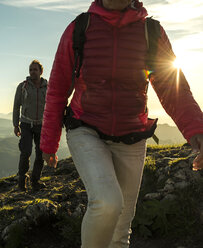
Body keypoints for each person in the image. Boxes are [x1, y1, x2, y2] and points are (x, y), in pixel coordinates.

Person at [40, 0, 203, 247]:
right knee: (107, 202)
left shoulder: (151, 32)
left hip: (132, 136)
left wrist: (197, 129)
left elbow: (173, 87)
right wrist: (48, 143)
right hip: (85, 129)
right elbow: (57, 89)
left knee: (120, 231)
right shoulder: (80, 28)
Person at [13, 60, 48, 191]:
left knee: (40, 154)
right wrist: (16, 125)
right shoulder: (23, 86)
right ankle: (22, 182)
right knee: (25, 152)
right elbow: (16, 107)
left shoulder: (48, 87)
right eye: (31, 70)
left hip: (42, 125)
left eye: (35, 69)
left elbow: (52, 106)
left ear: (41, 71)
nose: (32, 72)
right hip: (26, 124)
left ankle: (35, 181)